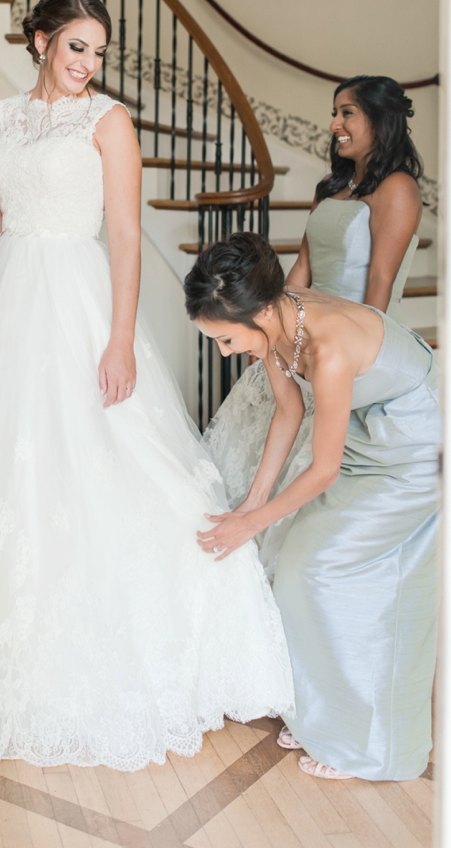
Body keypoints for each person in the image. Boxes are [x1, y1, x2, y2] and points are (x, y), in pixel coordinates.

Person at [0, 0, 293, 790]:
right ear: (39, 42)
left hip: (80, 299)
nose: (88, 65)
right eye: (75, 49)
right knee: (4, 470)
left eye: (97, 51)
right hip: (13, 297)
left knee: (105, 454)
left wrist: (120, 335)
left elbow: (126, 234)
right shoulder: (1, 115)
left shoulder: (110, 121)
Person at [188, 232, 438, 781]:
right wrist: (250, 506)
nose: (228, 355)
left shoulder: (327, 347)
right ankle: (322, 714)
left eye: (228, 341)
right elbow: (287, 413)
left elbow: (322, 469)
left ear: (259, 315)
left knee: (319, 571)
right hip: (364, 438)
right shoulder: (282, 323)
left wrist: (255, 519)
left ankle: (368, 745)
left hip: (416, 451)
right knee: (295, 570)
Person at [204, 76, 424, 574]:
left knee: (309, 484)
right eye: (335, 112)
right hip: (295, 331)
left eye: (347, 113)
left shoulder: (398, 189)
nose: (334, 125)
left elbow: (380, 285)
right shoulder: (332, 187)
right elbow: (299, 270)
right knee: (251, 455)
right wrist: (275, 329)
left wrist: (356, 368)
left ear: (379, 119)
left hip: (344, 344)